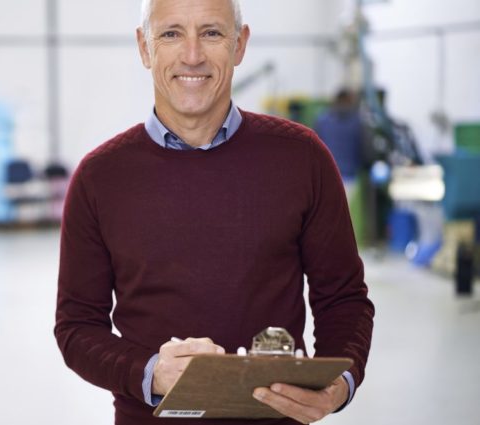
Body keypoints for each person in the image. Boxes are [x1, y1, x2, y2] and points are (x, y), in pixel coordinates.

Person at [54, 1, 375, 424]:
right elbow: (77, 327)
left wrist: (339, 384)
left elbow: (343, 299)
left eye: (211, 33)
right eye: (171, 34)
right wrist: (151, 372)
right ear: (144, 48)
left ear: (239, 45)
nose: (192, 55)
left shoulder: (302, 158)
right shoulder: (100, 177)